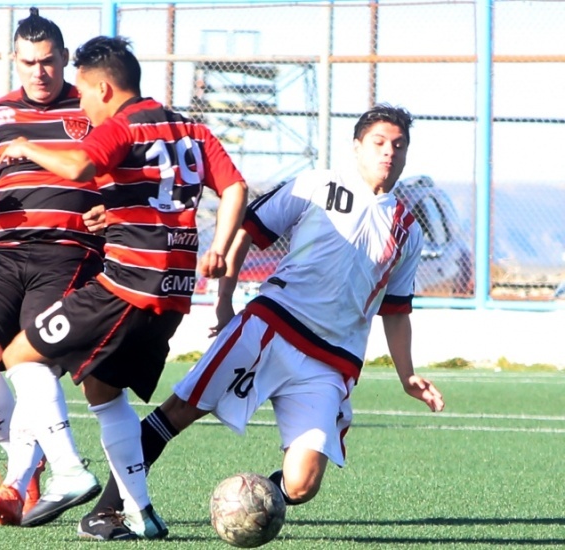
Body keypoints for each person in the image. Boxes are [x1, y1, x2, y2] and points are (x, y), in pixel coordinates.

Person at [77, 103, 447, 540]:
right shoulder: (316, 184)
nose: (389, 152)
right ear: (357, 147)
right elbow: (248, 230)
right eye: (379, 143)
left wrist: (407, 374)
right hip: (271, 326)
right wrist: (225, 300)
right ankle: (106, 512)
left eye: (398, 146)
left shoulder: (408, 228)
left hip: (331, 361)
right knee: (179, 412)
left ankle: (253, 504)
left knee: (302, 484)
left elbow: (397, 309)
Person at [0, 35, 248, 539]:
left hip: (126, 285)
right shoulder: (190, 127)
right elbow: (231, 187)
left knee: (21, 355)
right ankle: (137, 512)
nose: (80, 101)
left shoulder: (122, 125)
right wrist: (218, 241)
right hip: (173, 293)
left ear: (105, 89)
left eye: (82, 92)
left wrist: (23, 146)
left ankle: (67, 471)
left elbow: (80, 165)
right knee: (103, 392)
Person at [0, 8, 105, 527]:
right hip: (5, 249)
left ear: (64, 58)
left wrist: (112, 208)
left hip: (69, 250)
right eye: (27, 63)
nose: (38, 72)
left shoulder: (91, 108)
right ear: (13, 62)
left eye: (47, 61)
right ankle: (32, 459)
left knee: (28, 356)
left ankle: (42, 473)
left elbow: (123, 174)